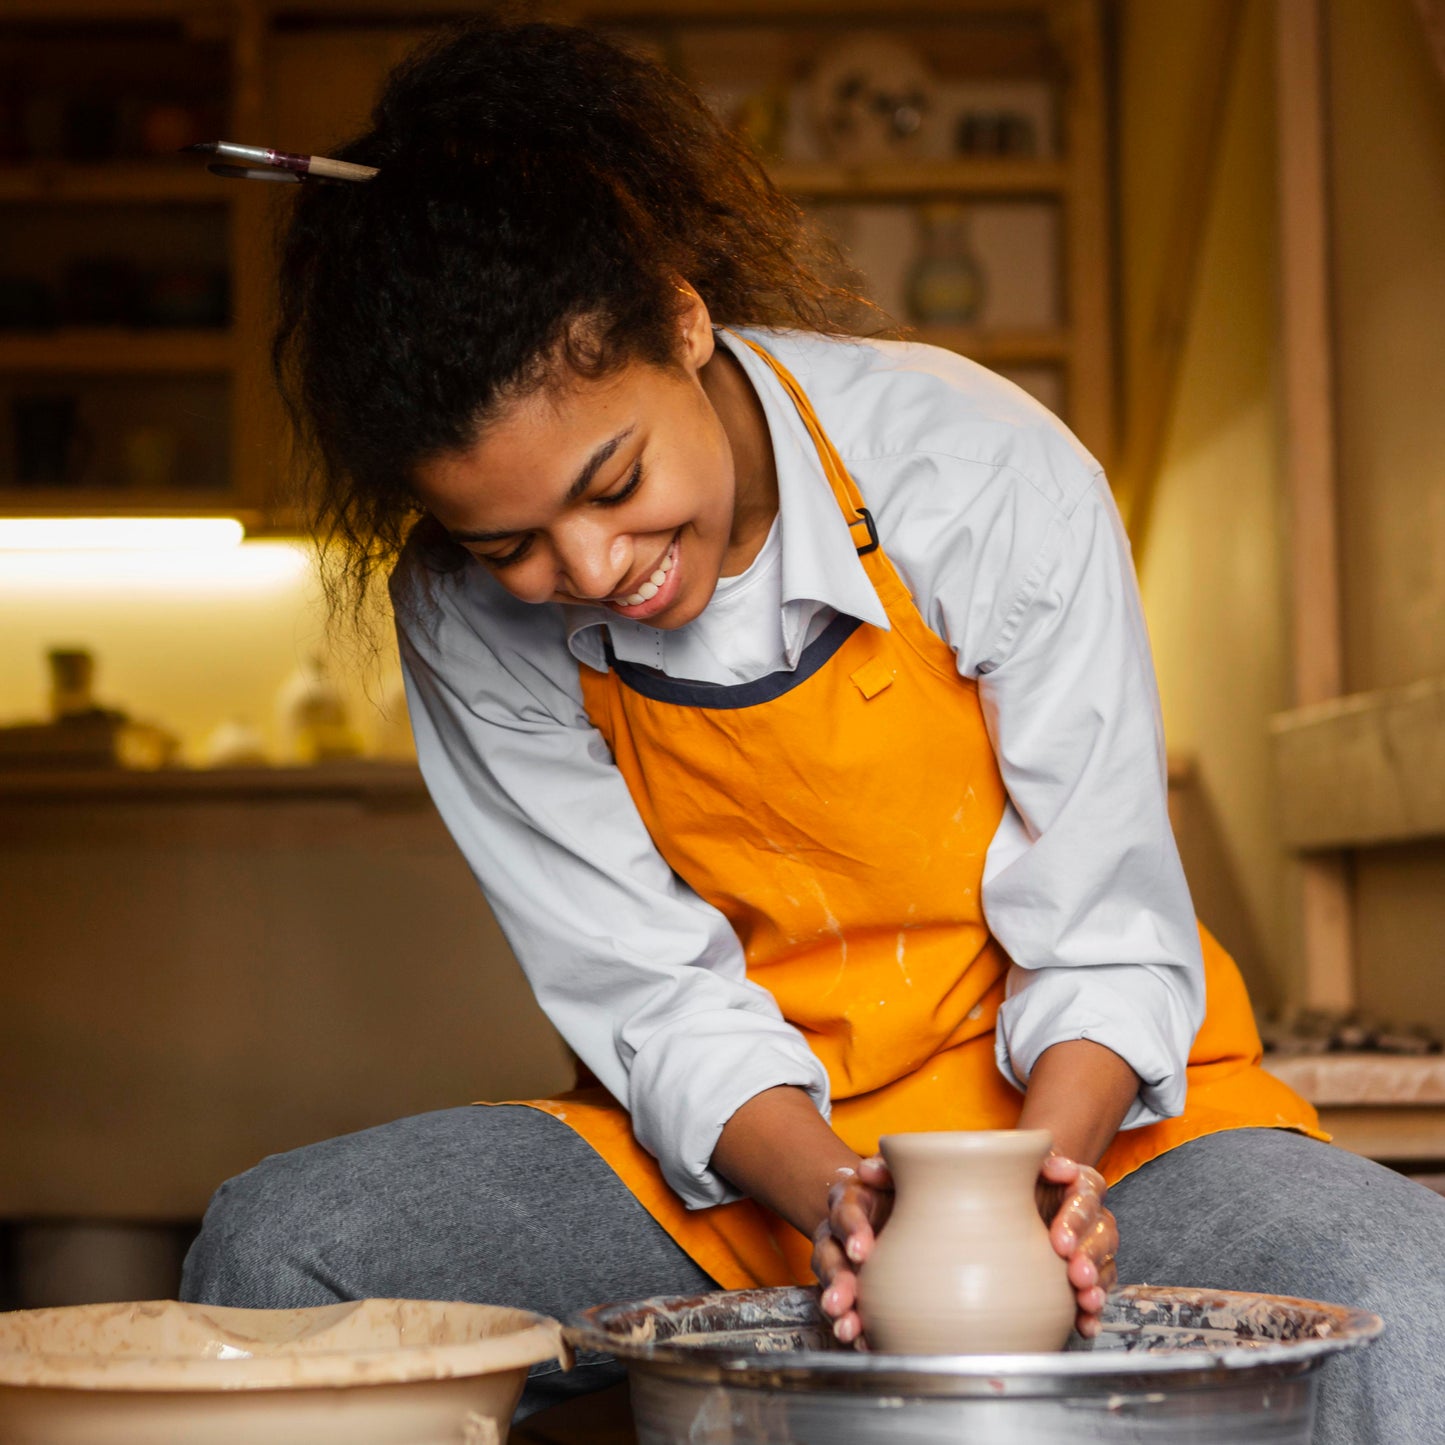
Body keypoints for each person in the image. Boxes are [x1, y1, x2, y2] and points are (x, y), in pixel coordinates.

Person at [181, 19, 1444, 1440]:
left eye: (614, 479)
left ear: (678, 319)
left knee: (1408, 1280)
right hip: (738, 1162)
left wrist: (1029, 1193)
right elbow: (651, 998)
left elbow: (1101, 928)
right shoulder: (460, 614)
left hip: (1105, 1136)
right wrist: (840, 1198)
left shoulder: (976, 469)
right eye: (508, 542)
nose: (590, 570)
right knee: (275, 1247)